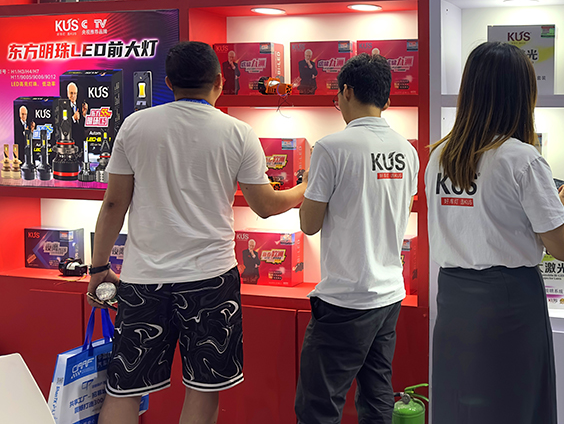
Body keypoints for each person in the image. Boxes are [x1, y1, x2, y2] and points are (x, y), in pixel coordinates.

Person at [87, 41, 307, 424]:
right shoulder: (238, 133)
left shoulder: (135, 125)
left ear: (169, 82)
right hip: (211, 280)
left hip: (144, 279)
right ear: (219, 81)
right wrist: (307, 187)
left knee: (125, 388)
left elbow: (113, 205)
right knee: (204, 389)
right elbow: (265, 205)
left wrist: (98, 268)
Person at [426, 41, 564, 424]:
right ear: (522, 95)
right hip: (509, 305)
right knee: (515, 406)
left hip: (453, 303)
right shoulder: (521, 158)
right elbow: (563, 248)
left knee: (459, 406)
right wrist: (563, 213)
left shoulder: (438, 156)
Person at [295, 53, 418, 424]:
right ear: (386, 98)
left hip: (346, 298)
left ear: (346, 91)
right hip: (389, 293)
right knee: (377, 397)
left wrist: (307, 185)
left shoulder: (331, 147)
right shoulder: (407, 151)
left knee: (317, 406)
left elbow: (309, 224)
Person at [65, 82, 87, 156]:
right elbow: (63, 126)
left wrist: (84, 115)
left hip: (79, 145)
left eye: (75, 93)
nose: (73, 96)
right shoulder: (63, 107)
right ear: (67, 93)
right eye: (71, 93)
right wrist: (73, 118)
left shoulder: (80, 106)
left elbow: (82, 127)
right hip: (70, 145)